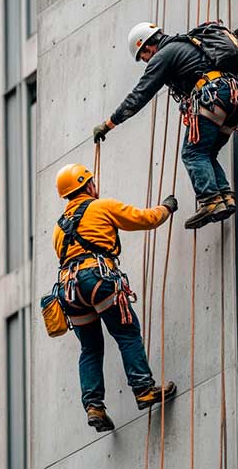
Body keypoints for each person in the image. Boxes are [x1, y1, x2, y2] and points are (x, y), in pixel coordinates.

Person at [53, 163, 177, 432]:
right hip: (97, 278)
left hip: (69, 290)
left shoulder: (58, 228)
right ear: (87, 185)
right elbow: (145, 219)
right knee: (126, 332)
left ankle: (94, 406)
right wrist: (166, 207)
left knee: (91, 348)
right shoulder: (101, 207)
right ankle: (144, 389)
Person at [93, 22, 238, 229]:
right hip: (234, 100)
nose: (146, 61)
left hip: (213, 97)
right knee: (206, 153)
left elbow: (141, 94)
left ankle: (211, 200)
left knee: (192, 153)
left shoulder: (164, 55)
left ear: (147, 47)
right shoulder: (186, 46)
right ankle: (224, 198)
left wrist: (109, 124)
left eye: (144, 57)